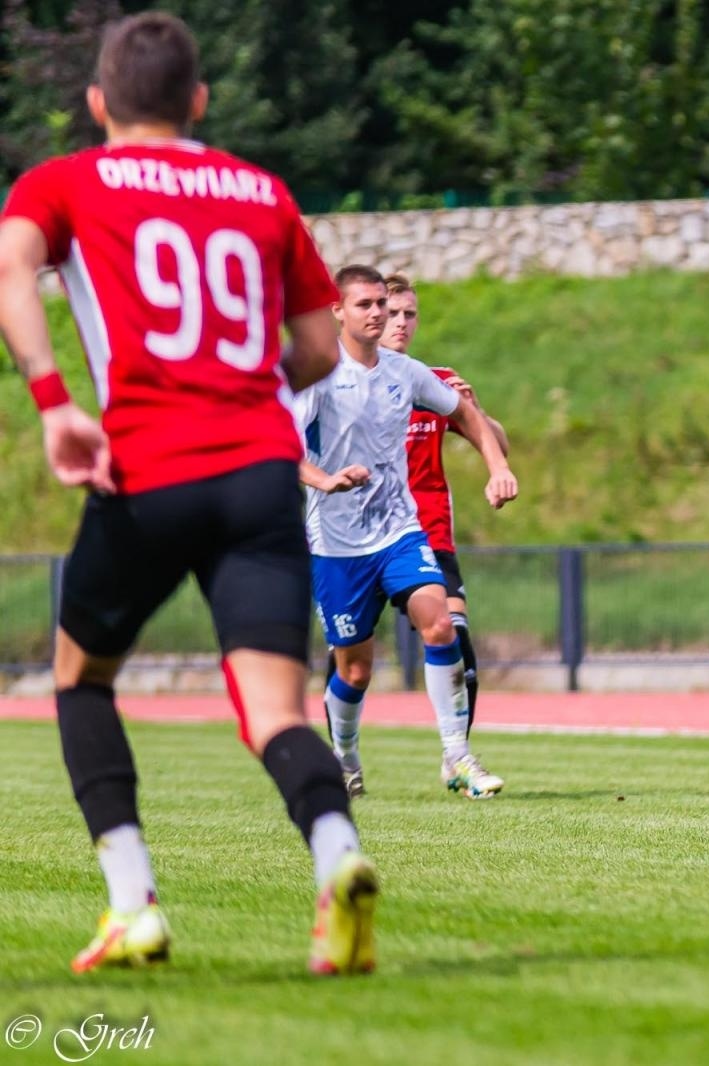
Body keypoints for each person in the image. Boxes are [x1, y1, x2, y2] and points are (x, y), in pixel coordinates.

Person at [0, 12, 378, 974]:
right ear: (199, 101)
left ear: (96, 104)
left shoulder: (66, 181)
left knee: (82, 679)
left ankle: (133, 905)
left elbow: (11, 266)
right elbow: (322, 344)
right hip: (258, 474)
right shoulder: (260, 190)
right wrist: (249, 392)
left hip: (147, 471)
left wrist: (53, 402)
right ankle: (338, 857)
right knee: (275, 709)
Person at [297, 265, 517, 801]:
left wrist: (498, 469)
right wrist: (325, 480)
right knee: (354, 668)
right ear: (338, 312)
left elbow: (465, 412)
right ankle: (344, 757)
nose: (378, 314)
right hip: (336, 545)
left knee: (440, 623)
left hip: (401, 531)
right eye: (367, 305)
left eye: (384, 304)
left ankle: (458, 756)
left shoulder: (407, 372)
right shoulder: (316, 377)